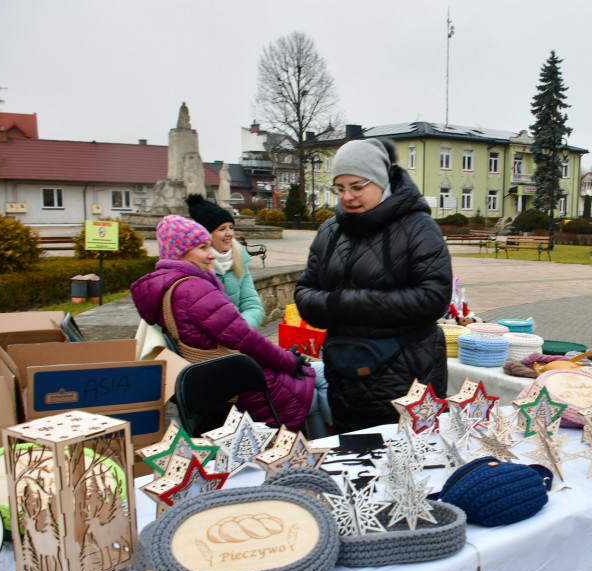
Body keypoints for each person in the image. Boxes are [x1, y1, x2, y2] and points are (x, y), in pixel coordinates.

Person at [294, 138, 453, 434]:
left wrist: (347, 303)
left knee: (408, 460)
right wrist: (333, 304)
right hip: (344, 372)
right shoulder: (329, 231)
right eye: (339, 189)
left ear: (381, 182)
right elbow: (304, 295)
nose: (347, 196)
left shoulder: (418, 228)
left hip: (407, 372)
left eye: (357, 186)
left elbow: (434, 298)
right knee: (353, 458)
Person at [131, 214, 331, 436]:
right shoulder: (193, 289)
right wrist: (289, 361)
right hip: (245, 387)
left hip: (223, 382)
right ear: (180, 252)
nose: (210, 255)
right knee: (326, 379)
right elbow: (245, 339)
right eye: (202, 247)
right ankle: (326, 449)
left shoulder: (169, 287)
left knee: (318, 381)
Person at [186, 193, 265, 329]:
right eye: (222, 229)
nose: (229, 233)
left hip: (239, 336)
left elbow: (253, 305)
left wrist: (240, 330)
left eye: (231, 227)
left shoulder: (238, 257)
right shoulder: (194, 267)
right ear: (207, 235)